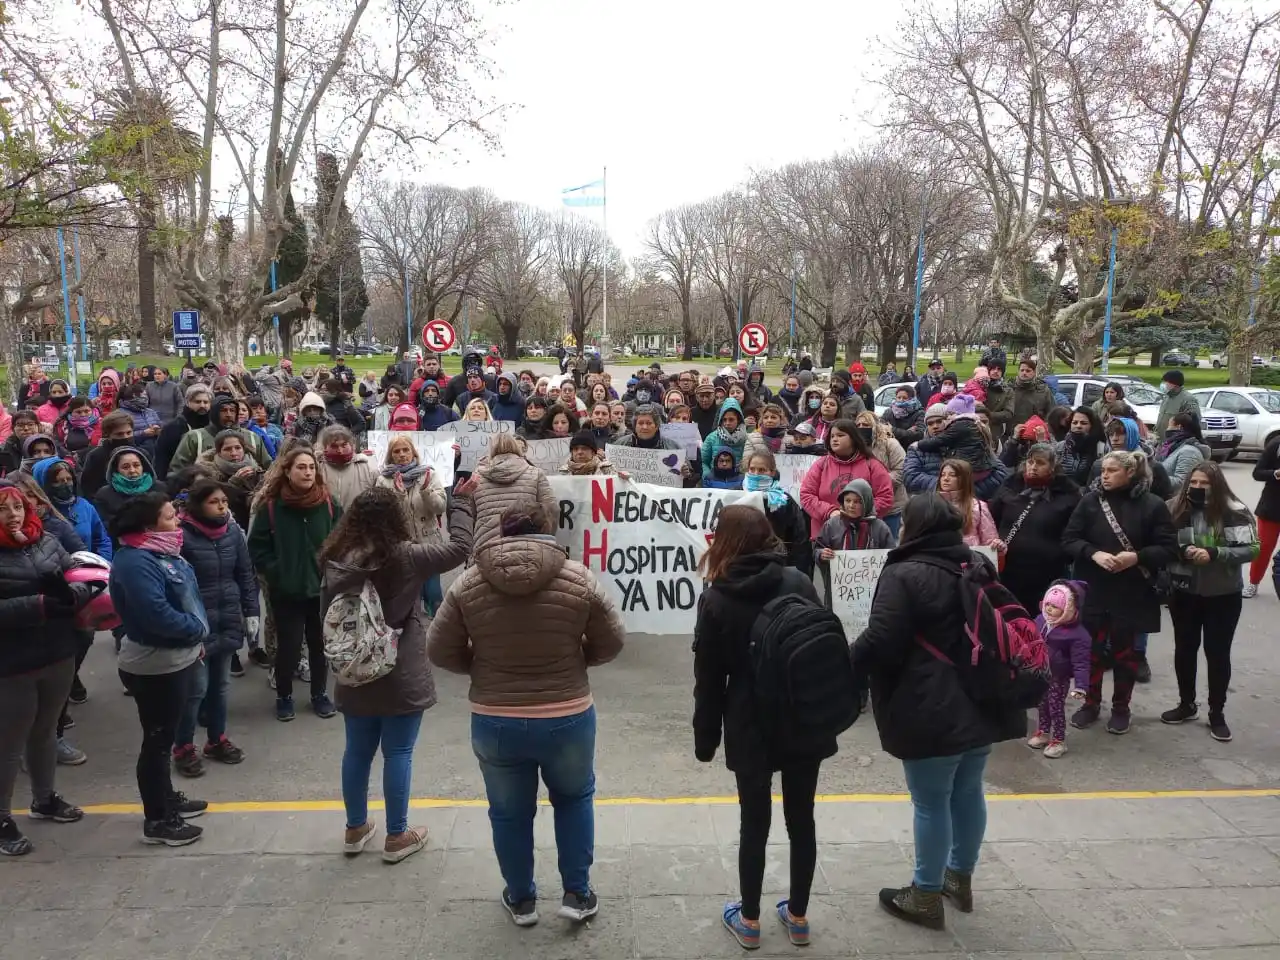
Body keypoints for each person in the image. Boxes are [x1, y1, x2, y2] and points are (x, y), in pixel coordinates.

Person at [428, 503, 625, 926]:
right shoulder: (578, 577)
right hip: (567, 712)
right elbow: (612, 640)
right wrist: (579, 659)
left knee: (509, 812)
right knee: (574, 799)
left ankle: (521, 899)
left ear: (502, 533)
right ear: (548, 530)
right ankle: (577, 893)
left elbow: (438, 648)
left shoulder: (469, 582)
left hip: (495, 715)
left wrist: (479, 667)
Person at [849, 494, 1026, 929]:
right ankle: (959, 878)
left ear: (914, 527)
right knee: (968, 791)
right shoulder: (976, 563)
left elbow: (882, 639)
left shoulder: (904, 572)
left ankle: (925, 894)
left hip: (929, 702)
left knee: (930, 802)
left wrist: (843, 663)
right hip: (981, 697)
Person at [691, 505, 836, 949]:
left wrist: (706, 741)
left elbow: (709, 680)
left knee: (753, 823)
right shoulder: (797, 581)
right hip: (802, 714)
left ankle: (750, 920)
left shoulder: (717, 597)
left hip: (749, 719)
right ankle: (798, 916)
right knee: (801, 818)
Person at [321, 482, 476, 863]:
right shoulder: (408, 556)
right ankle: (397, 834)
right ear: (398, 517)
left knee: (357, 751)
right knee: (398, 751)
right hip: (398, 664)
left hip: (354, 664)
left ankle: (355, 828)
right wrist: (460, 502)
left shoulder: (337, 557)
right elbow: (460, 548)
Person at [110, 491, 210, 845]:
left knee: (164, 738)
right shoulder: (135, 562)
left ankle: (166, 799)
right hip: (154, 666)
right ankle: (158, 820)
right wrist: (195, 630)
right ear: (148, 526)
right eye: (169, 517)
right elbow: (155, 614)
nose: (177, 520)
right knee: (157, 742)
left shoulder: (160, 552)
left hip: (176, 659)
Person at [0, 484, 89, 856]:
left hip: (57, 651)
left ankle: (44, 798)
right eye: (3, 509)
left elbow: (78, 578)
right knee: (9, 743)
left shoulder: (47, 540)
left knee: (45, 730)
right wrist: (39, 604)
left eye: (17, 506)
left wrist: (73, 594)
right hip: (12, 662)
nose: (13, 515)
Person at [1062, 450, 1178, 735]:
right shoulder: (1090, 501)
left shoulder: (1153, 505)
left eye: (1112, 470)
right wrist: (1093, 553)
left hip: (1131, 592)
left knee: (1125, 656)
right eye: (1103, 470)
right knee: (1091, 653)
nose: (1105, 475)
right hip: (1094, 590)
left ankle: (1121, 708)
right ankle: (1090, 704)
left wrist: (1136, 557)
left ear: (1130, 472)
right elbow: (1069, 539)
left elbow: (1169, 548)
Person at [1160, 462, 1257, 742]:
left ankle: (1217, 712)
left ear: (1217, 485)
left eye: (1205, 483)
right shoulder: (1173, 508)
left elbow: (1251, 549)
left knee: (1217, 653)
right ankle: (1186, 704)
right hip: (1183, 591)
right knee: (1185, 649)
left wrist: (1215, 553)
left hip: (1222, 594)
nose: (1198, 487)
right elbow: (1159, 541)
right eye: (1194, 482)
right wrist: (1181, 551)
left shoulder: (1234, 511)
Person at [248, 446, 342, 721]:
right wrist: (276, 572)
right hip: (286, 591)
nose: (308, 472)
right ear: (287, 472)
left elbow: (344, 538)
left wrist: (333, 570)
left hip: (321, 589)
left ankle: (319, 694)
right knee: (288, 647)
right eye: (301, 467)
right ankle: (284, 696)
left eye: (311, 467)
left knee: (319, 645)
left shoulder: (328, 503)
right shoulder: (271, 507)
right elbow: (257, 547)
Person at [174, 480, 257, 775]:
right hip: (197, 623)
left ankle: (216, 739)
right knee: (196, 689)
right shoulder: (181, 535)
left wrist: (251, 611)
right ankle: (183, 747)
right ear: (198, 506)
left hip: (227, 618)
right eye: (214, 502)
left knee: (220, 686)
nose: (222, 507)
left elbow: (245, 573)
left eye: (224, 501)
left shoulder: (232, 531)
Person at [986, 444, 1081, 611]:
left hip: (1046, 572)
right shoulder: (1011, 485)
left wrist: (1060, 555)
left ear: (1052, 467)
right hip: (1008, 568)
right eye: (1030, 462)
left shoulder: (1068, 494)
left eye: (1040, 463)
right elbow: (992, 518)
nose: (1033, 467)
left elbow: (1074, 532)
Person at [376, 434, 449, 613]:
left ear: (413, 453)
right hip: (401, 546)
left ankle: (436, 625)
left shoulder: (428, 474)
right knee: (408, 597)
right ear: (390, 456)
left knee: (433, 595)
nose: (402, 454)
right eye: (396, 451)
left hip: (428, 543)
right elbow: (383, 515)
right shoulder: (383, 480)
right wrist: (399, 496)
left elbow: (440, 507)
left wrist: (426, 491)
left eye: (405, 450)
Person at [1027, 580, 1091, 759]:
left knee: (1055, 707)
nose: (1049, 609)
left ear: (1068, 609)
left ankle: (1058, 740)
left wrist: (1081, 686)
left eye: (1055, 606)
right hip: (1041, 672)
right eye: (1047, 604)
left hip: (1058, 677)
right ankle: (1043, 732)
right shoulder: (1041, 620)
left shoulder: (1078, 635)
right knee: (1041, 705)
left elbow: (1081, 662)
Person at [800, 420, 894, 538]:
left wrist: (858, 512)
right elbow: (806, 495)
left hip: (864, 537)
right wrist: (830, 512)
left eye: (840, 435)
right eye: (832, 436)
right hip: (825, 537)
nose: (834, 439)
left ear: (853, 438)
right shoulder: (821, 464)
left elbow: (885, 497)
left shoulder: (872, 465)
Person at [471, 432, 559, 554]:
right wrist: (545, 537)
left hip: (486, 548)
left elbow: (470, 515)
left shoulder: (476, 478)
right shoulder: (535, 473)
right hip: (529, 546)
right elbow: (551, 510)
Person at [814, 479, 895, 605]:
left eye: (857, 501)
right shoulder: (832, 525)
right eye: (848, 500)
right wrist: (821, 554)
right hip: (838, 594)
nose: (851, 505)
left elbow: (892, 558)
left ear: (866, 502)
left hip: (872, 594)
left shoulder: (880, 528)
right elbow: (817, 548)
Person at [915, 395, 1006, 500]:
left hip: (972, 473)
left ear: (958, 414)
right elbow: (912, 477)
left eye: (948, 415)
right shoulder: (973, 425)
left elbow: (939, 440)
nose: (936, 426)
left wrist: (919, 444)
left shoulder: (959, 426)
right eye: (930, 423)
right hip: (979, 470)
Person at [742, 451, 812, 575]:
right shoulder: (736, 495)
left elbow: (799, 540)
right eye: (752, 469)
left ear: (772, 473)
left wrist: (797, 573)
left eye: (762, 470)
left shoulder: (784, 501)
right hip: (742, 566)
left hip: (776, 566)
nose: (756, 474)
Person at [93, 446, 159, 545]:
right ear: (116, 470)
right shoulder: (104, 494)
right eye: (125, 467)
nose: (132, 470)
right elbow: (105, 528)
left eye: (136, 465)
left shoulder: (158, 488)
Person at [857, 412, 907, 539]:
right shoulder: (855, 448)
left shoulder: (890, 444)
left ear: (875, 426)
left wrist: (877, 483)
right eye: (858, 425)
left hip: (892, 508)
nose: (861, 427)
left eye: (866, 424)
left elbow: (901, 470)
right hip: (864, 509)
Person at [201, 430, 263, 530]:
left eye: (238, 448)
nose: (234, 453)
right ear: (219, 452)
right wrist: (233, 483)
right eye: (227, 449)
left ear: (244, 449)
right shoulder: (208, 473)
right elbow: (213, 503)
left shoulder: (256, 469)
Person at [1244, 432, 1280, 598]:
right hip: (1272, 507)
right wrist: (1275, 474)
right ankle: (1253, 583)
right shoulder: (1276, 444)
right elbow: (1257, 472)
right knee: (1263, 549)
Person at [937, 459, 999, 551]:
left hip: (970, 557)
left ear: (964, 479)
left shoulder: (978, 506)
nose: (945, 478)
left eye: (952, 475)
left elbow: (990, 541)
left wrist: (997, 545)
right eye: (943, 475)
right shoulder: (930, 505)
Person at [154, 384, 213, 480]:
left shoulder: (213, 426)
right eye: (197, 402)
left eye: (206, 402)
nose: (202, 405)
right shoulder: (173, 427)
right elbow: (162, 458)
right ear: (188, 402)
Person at [1154, 412, 1207, 489]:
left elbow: (1182, 483)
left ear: (1178, 427)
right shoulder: (1173, 447)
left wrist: (1153, 478)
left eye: (1169, 426)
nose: (1167, 429)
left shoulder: (1189, 452)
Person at [699, 398, 747, 482]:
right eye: (724, 420)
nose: (727, 423)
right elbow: (703, 461)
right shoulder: (712, 438)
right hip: (714, 482)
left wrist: (743, 479)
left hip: (738, 483)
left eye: (731, 419)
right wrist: (707, 476)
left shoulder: (746, 439)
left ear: (738, 420)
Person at [1154, 369, 1201, 440]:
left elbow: (1194, 421)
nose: (1164, 384)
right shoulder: (1167, 397)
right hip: (1162, 440)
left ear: (1174, 384)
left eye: (1166, 382)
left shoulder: (1188, 399)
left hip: (1176, 441)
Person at [1008, 359, 1053, 432]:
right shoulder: (1009, 389)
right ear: (1018, 371)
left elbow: (1051, 412)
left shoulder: (1043, 391)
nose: (1024, 373)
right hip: (1012, 433)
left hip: (1035, 433)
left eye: (1028, 371)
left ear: (1034, 372)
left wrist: (1044, 427)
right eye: (1022, 370)